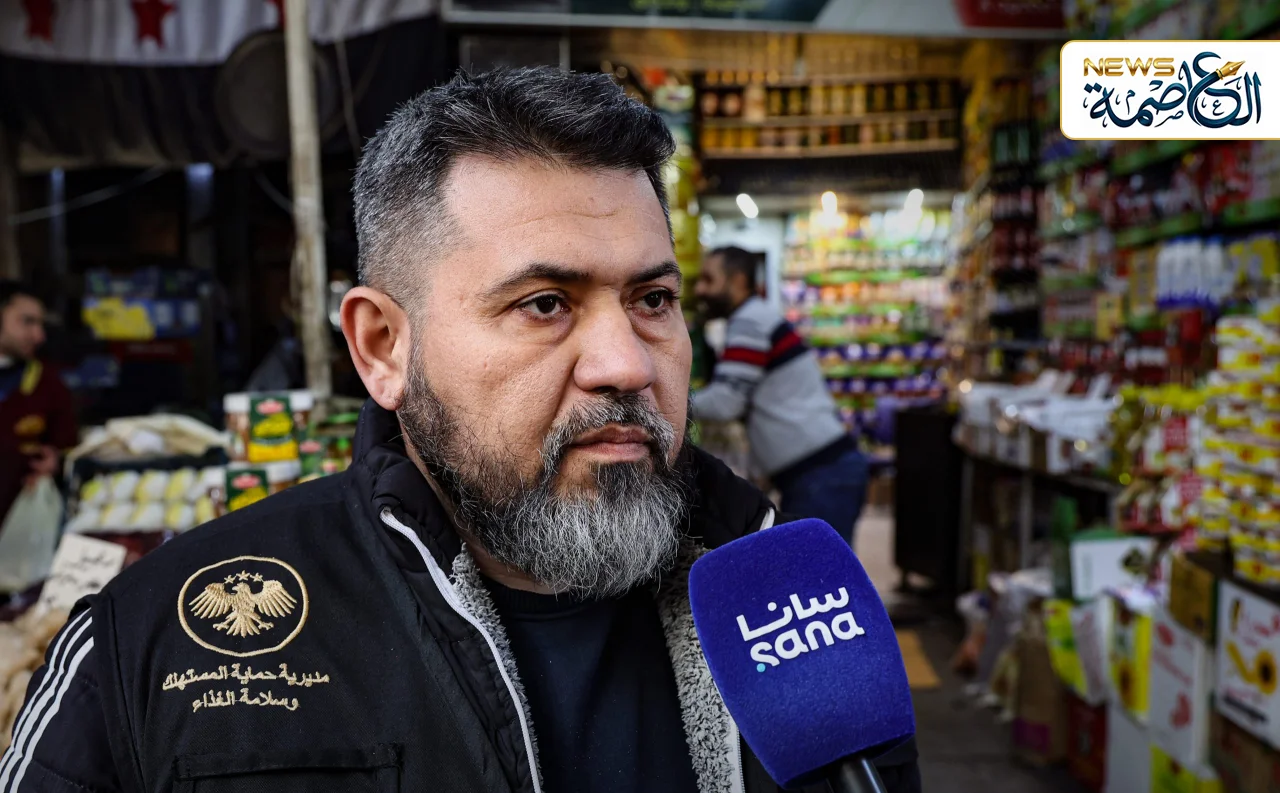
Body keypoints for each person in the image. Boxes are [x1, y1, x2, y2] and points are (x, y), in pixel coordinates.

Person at [0, 69, 918, 793]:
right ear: (382, 346)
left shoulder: (802, 613)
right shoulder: (152, 643)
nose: (628, 364)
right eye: (545, 302)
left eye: (653, 299)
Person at [692, 246, 869, 543]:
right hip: (820, 471)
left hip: (819, 473)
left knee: (816, 569)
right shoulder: (756, 317)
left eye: (709, 279)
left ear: (738, 281)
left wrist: (666, 402)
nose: (699, 289)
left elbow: (725, 402)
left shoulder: (749, 321)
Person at [0, 282, 76, 531]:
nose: (38, 336)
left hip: (20, 529)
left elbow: (69, 451)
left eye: (40, 325)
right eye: (27, 322)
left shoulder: (49, 384)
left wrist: (56, 462)